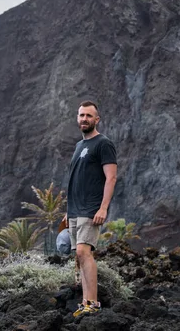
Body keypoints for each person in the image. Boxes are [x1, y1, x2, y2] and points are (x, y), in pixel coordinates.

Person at [63, 101, 117, 317]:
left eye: (88, 116)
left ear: (97, 119)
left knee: (84, 253)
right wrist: (69, 210)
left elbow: (111, 177)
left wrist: (103, 208)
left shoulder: (103, 144)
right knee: (79, 255)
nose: (84, 119)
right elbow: (77, 180)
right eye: (81, 115)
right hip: (76, 210)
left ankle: (93, 304)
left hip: (91, 209)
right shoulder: (79, 146)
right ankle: (85, 303)